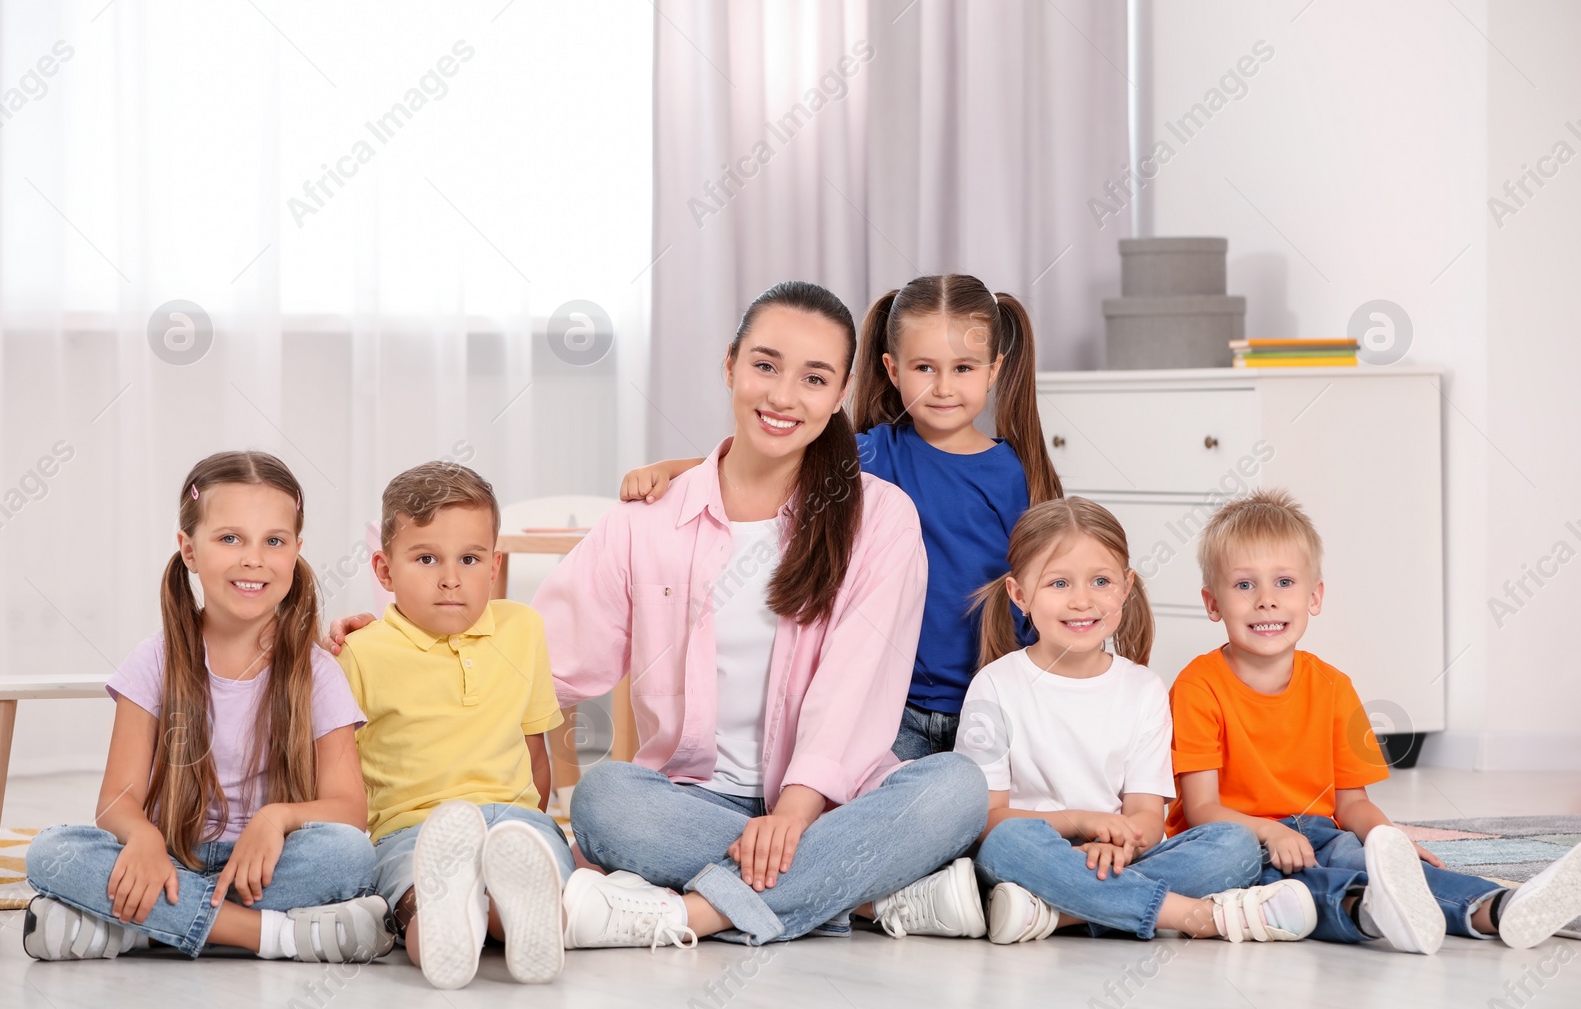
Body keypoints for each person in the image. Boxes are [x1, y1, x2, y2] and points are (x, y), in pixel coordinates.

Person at [534, 280, 989, 949]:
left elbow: (853, 686)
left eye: (813, 377)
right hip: (690, 802)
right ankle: (865, 895)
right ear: (730, 365)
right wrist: (402, 644)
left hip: (837, 803)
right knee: (604, 799)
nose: (782, 396)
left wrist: (798, 811)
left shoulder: (880, 516)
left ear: (840, 393)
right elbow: (542, 656)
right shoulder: (648, 520)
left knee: (957, 787)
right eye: (765, 365)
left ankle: (690, 914)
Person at [618, 274, 1062, 760]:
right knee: (883, 814)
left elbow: (1040, 593)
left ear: (994, 370)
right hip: (893, 708)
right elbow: (763, 465)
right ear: (892, 370)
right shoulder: (868, 454)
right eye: (924, 367)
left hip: (990, 702)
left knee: (977, 815)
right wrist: (667, 471)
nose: (943, 387)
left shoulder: (1013, 474)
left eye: (963, 368)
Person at [1170, 488, 1581, 952]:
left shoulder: (1334, 686)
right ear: (1212, 603)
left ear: (1314, 596)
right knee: (1291, 884)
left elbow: (1352, 804)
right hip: (1237, 844)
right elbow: (1202, 810)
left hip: (1318, 831)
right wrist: (1271, 831)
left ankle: (1497, 908)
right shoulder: (1197, 685)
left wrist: (1388, 841)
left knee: (1358, 853)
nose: (1266, 600)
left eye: (1284, 582)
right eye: (1245, 585)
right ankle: (1370, 912)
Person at [24, 452, 389, 963]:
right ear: (189, 550)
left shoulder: (315, 671)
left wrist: (275, 818)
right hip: (171, 856)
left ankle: (135, 930)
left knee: (350, 858)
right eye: (229, 538)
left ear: (296, 552)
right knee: (52, 854)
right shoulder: (155, 660)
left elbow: (350, 812)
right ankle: (274, 936)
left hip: (269, 866)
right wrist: (144, 839)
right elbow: (115, 802)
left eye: (274, 541)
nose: (253, 559)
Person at [959, 497, 1315, 944]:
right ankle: (1192, 915)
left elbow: (1148, 816)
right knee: (1007, 844)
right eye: (1058, 584)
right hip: (1035, 856)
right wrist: (1082, 823)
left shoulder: (1144, 690)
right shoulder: (995, 686)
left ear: (1126, 588)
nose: (1082, 600)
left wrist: (1124, 842)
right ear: (1019, 594)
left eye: (1101, 581)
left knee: (1235, 846)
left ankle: (1056, 913)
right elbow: (987, 820)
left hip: (1121, 860)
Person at [331, 462, 573, 989]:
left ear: (494, 565)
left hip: (515, 824)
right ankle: (449, 925)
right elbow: (333, 769)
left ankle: (520, 913)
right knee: (418, 899)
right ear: (384, 570)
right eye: (425, 559)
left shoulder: (523, 629)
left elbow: (535, 751)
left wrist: (529, 822)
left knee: (540, 880)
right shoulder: (361, 652)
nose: (450, 577)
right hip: (412, 830)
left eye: (469, 558)